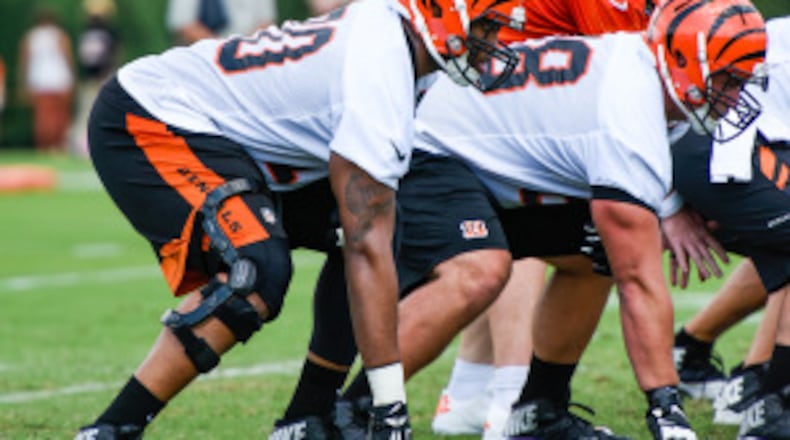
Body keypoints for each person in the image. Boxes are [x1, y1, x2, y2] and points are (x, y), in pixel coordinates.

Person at [273, 1, 767, 439]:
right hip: (431, 149)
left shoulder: (640, 77)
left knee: (592, 252)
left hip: (485, 159)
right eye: (726, 78)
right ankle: (358, 409)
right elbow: (641, 280)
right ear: (681, 61)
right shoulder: (630, 106)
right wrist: (667, 410)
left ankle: (538, 409)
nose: (733, 95)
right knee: (480, 269)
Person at [72, 0, 528, 438]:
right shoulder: (383, 61)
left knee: (384, 229)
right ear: (440, 12)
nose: (493, 40)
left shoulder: (400, 45)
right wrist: (389, 405)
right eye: (486, 26)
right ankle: (113, 427)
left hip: (242, 144)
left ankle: (305, 419)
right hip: (154, 116)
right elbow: (365, 245)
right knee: (255, 273)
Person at [432, 1, 659, 436]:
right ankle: (511, 398)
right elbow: (627, 63)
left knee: (571, 246)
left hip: (497, 88)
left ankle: (466, 391)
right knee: (524, 239)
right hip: (493, 102)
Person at [668, 17, 790, 437]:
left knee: (781, 243)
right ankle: (765, 394)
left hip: (718, 144)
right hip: (721, 144)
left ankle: (748, 379)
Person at [17, 8, 75, 152]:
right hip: (60, 79)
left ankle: (44, 146)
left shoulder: (31, 38)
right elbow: (68, 58)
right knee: (60, 116)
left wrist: (23, 83)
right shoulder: (60, 36)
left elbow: (24, 62)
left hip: (39, 81)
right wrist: (73, 78)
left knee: (42, 117)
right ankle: (58, 146)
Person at [71, 0, 120, 157]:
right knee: (86, 112)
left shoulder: (107, 32)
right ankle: (82, 145)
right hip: (92, 78)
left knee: (99, 112)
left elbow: (113, 54)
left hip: (103, 77)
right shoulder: (89, 32)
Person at [166, 0, 278, 45]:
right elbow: (184, 24)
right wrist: (221, 50)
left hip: (248, 56)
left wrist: (242, 48)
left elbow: (266, 22)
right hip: (204, 57)